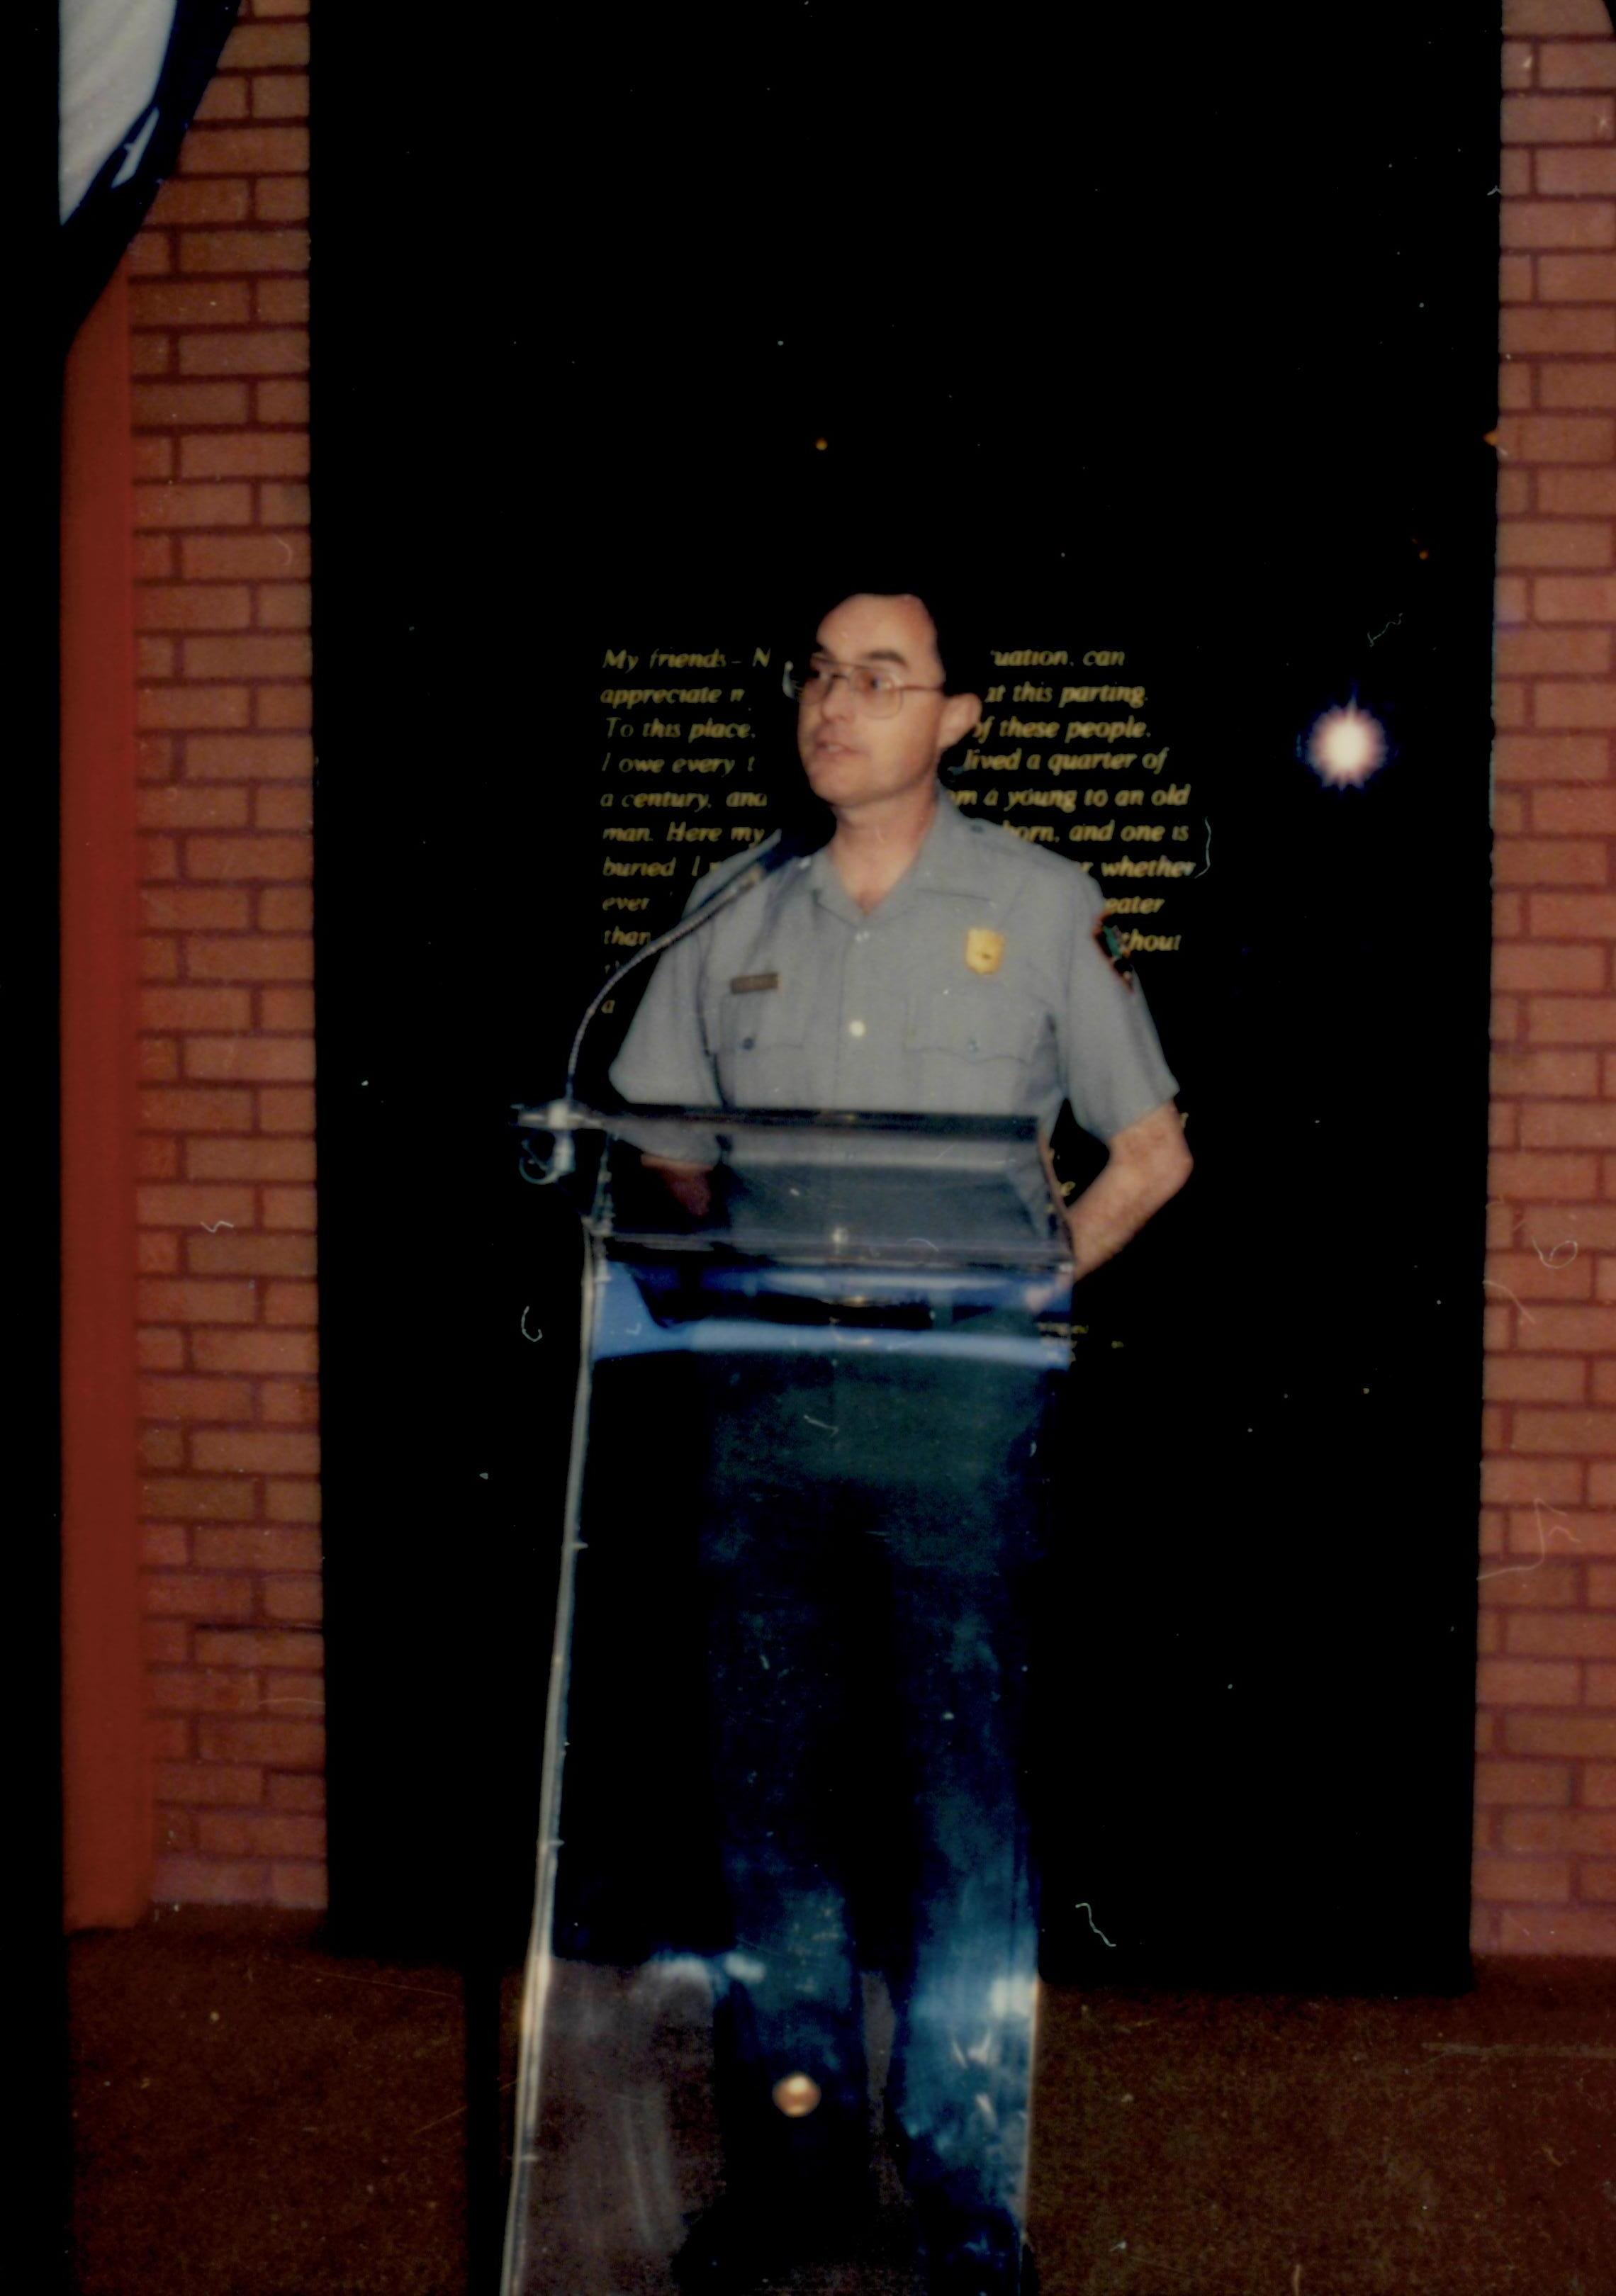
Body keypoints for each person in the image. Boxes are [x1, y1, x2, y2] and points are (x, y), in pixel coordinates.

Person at [608, 585, 1191, 2295]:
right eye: (817, 672)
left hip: (956, 1418)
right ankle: (792, 2183)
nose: (833, 701)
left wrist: (1020, 1285)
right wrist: (762, 1271)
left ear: (958, 720)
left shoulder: (1038, 903)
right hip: (767, 1410)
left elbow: (1150, 1151)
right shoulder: (731, 906)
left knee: (961, 1815)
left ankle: (961, 2204)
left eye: (881, 677)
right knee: (767, 1814)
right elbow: (661, 1140)